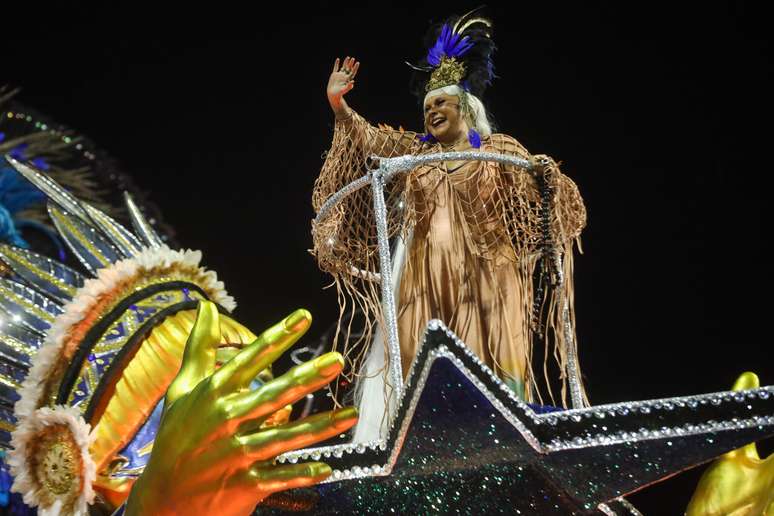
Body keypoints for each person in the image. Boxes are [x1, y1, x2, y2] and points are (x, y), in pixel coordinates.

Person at [312, 12, 587, 441]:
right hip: (423, 277)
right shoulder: (412, 152)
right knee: (420, 360)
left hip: (487, 276)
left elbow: (548, 200)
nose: (432, 112)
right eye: (426, 107)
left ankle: (495, 434)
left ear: (467, 107)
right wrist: (339, 105)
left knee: (487, 360)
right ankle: (415, 435)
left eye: (441, 103)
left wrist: (544, 176)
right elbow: (366, 139)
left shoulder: (499, 149)